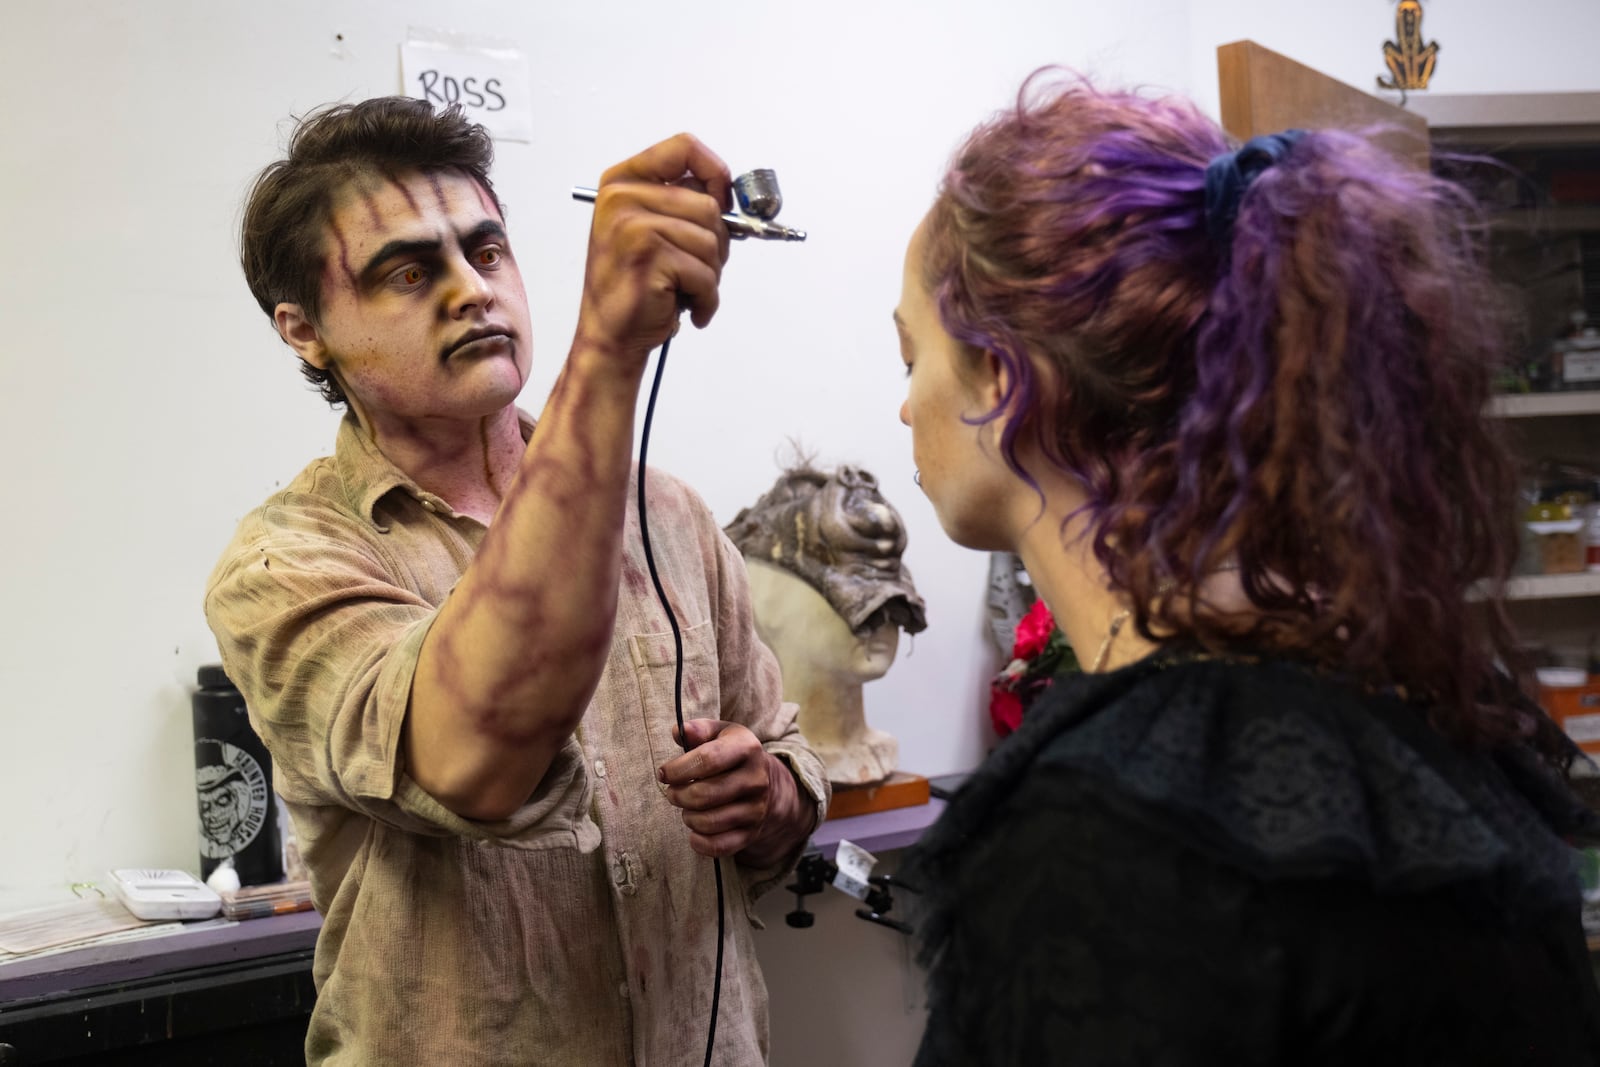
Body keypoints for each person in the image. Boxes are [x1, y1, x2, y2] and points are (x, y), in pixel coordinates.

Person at [893, 70, 1600, 1065]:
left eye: (908, 353)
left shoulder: (1109, 823)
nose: (903, 409)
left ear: (1003, 382)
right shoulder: (1431, 723)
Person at [204, 97, 829, 1066]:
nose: (470, 291)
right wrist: (609, 352)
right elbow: (472, 759)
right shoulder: (285, 563)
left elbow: (784, 764)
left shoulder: (667, 514)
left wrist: (770, 796)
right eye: (408, 271)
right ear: (305, 330)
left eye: (486, 252)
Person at [725, 463, 927, 784]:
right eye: (857, 596)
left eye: (893, 601)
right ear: (766, 596)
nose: (885, 617)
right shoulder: (754, 765)